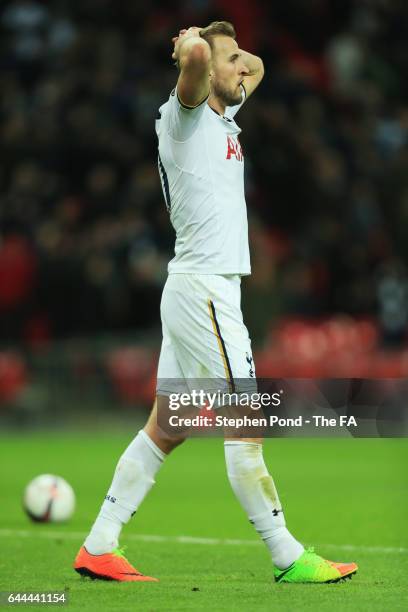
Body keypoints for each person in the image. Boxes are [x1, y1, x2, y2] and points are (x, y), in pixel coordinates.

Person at [73, 21, 358, 584]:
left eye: (235, 61)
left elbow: (257, 65)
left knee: (168, 427)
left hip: (201, 289)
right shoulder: (182, 119)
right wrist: (196, 47)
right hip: (205, 290)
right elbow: (202, 60)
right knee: (245, 422)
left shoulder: (226, 117)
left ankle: (98, 546)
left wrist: (225, 47)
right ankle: (286, 554)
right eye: (227, 63)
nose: (240, 68)